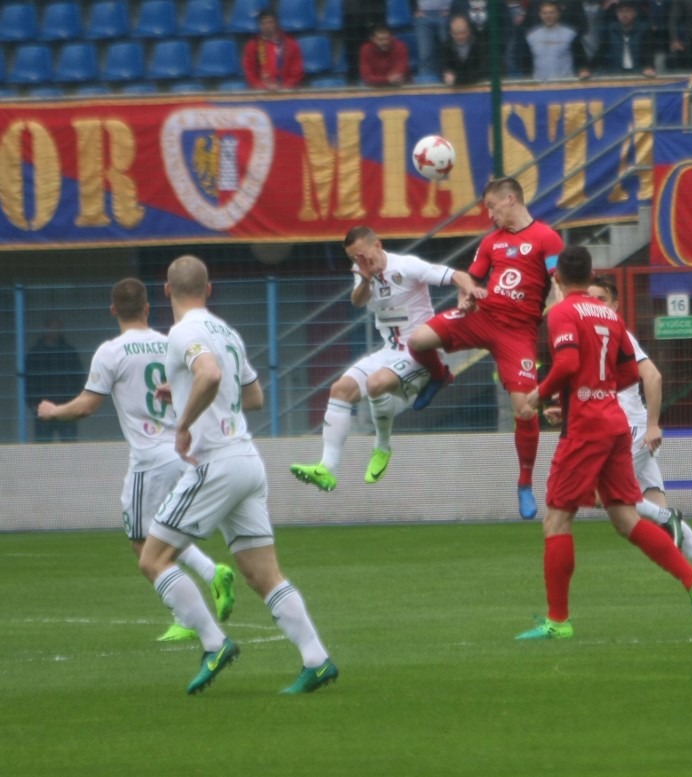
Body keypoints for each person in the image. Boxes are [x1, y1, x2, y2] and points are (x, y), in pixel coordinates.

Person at [139, 255, 337, 695]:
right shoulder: (225, 331)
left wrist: (185, 422)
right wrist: (186, 389)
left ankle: (214, 643)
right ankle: (317, 660)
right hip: (247, 459)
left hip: (215, 463)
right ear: (209, 290)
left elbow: (207, 373)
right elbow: (253, 397)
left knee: (153, 559)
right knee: (262, 574)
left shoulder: (183, 331)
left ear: (167, 291)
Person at [515, 246, 692, 640]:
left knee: (557, 519)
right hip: (613, 422)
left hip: (587, 429)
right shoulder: (608, 313)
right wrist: (593, 391)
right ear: (592, 276)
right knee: (625, 518)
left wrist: (540, 397)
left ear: (556, 278)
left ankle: (558, 621)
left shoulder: (561, 313)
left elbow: (569, 364)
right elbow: (627, 371)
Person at [36, 279, 235, 643]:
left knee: (143, 545)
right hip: (183, 450)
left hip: (150, 459)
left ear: (113, 311)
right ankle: (203, 586)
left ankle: (196, 609)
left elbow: (86, 406)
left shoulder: (111, 352)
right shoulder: (170, 343)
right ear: (147, 307)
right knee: (163, 533)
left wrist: (53, 411)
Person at [408, 177, 565, 521]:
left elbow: (558, 280)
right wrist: (466, 298)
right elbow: (472, 280)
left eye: (492, 207)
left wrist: (562, 305)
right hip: (483, 315)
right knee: (417, 341)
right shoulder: (491, 242)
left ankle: (524, 482)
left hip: (519, 332)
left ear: (510, 199)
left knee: (525, 410)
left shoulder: (546, 238)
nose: (489, 215)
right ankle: (439, 375)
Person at [291, 226, 486, 492]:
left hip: (420, 354)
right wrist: (367, 278)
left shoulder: (406, 266)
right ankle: (326, 468)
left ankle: (382, 447)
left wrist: (469, 291)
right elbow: (357, 302)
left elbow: (456, 275)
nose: (359, 261)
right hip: (389, 351)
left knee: (375, 383)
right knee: (340, 390)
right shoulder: (363, 274)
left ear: (378, 245)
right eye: (353, 258)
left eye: (362, 255)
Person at [584, 275, 692, 586]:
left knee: (598, 494)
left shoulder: (619, 334)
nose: (595, 305)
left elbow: (653, 377)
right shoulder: (598, 338)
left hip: (631, 431)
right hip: (625, 429)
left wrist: (652, 425)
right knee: (653, 506)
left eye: (601, 299)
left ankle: (668, 518)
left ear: (614, 305)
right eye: (590, 299)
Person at [26, 317, 85, 442]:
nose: (55, 331)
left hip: (66, 406)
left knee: (69, 447)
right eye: (52, 328)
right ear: (45, 330)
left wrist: (75, 400)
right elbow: (29, 380)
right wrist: (32, 403)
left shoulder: (69, 352)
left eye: (58, 328)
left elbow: (78, 377)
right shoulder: (35, 353)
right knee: (44, 447)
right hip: (42, 407)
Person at [525, 1, 591, 80]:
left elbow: (581, 58)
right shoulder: (531, 36)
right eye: (545, 13)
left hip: (566, 83)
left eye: (552, 13)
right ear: (540, 15)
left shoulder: (570, 35)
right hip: (539, 85)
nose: (548, 16)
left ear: (558, 14)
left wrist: (583, 70)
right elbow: (526, 62)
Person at [241, 7, 304, 90]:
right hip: (260, 93)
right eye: (263, 23)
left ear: (276, 23)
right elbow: (249, 71)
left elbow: (297, 71)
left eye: (270, 22)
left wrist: (285, 87)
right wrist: (263, 87)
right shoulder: (252, 46)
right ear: (259, 25)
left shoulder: (290, 44)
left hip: (287, 91)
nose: (267, 26)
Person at [592, 0, 656, 77]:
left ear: (634, 13)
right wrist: (588, 69)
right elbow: (601, 52)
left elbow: (648, 52)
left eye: (628, 11)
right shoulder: (611, 30)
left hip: (639, 73)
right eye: (621, 11)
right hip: (616, 74)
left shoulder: (644, 30)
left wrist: (648, 67)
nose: (624, 15)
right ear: (617, 14)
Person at [342, 0, 387, 84]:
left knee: (377, 46)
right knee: (354, 50)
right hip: (353, 17)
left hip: (375, 13)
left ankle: (379, 77)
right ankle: (355, 79)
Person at [440, 14, 488, 86]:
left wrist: (457, 80)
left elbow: (483, 70)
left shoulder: (478, 45)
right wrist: (447, 75)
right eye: (456, 33)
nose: (460, 37)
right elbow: (442, 69)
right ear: (451, 33)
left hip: (476, 86)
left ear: (468, 31)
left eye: (462, 33)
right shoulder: (446, 47)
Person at [414, 0, 453, 78]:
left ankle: (448, 77)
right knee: (425, 54)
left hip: (445, 14)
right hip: (424, 16)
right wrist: (414, 9)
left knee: (447, 50)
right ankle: (427, 82)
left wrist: (452, 9)